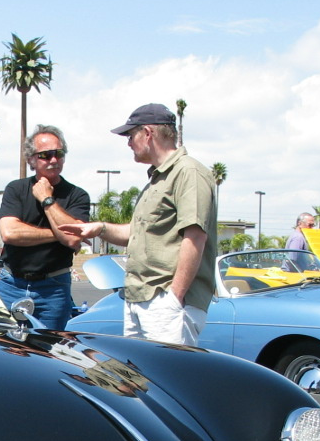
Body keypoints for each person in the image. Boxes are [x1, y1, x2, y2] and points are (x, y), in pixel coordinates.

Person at [58, 103, 218, 346]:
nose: (128, 143)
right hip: (141, 299)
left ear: (148, 133)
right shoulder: (157, 179)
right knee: (141, 381)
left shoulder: (188, 172)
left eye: (131, 135)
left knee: (166, 378)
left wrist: (174, 298)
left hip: (165, 302)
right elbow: (136, 232)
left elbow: (195, 237)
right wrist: (98, 228)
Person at [0, 124, 90, 330]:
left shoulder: (77, 195)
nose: (54, 160)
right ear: (31, 160)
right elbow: (10, 233)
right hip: (11, 284)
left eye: (59, 153)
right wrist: (59, 233)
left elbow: (73, 239)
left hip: (53, 288)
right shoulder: (16, 189)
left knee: (49, 352)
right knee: (3, 349)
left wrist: (47, 199)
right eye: (46, 155)